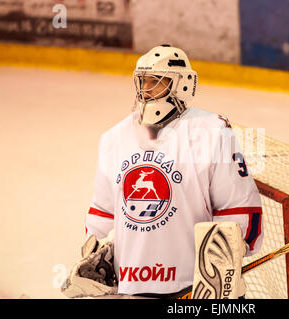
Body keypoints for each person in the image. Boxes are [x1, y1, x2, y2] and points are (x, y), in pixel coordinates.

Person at [62, 44, 263, 299]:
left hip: (195, 284)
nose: (146, 90)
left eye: (157, 82)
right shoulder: (114, 138)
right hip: (133, 283)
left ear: (183, 85)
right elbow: (103, 209)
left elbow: (239, 203)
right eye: (143, 81)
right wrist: (97, 249)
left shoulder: (210, 131)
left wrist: (224, 263)